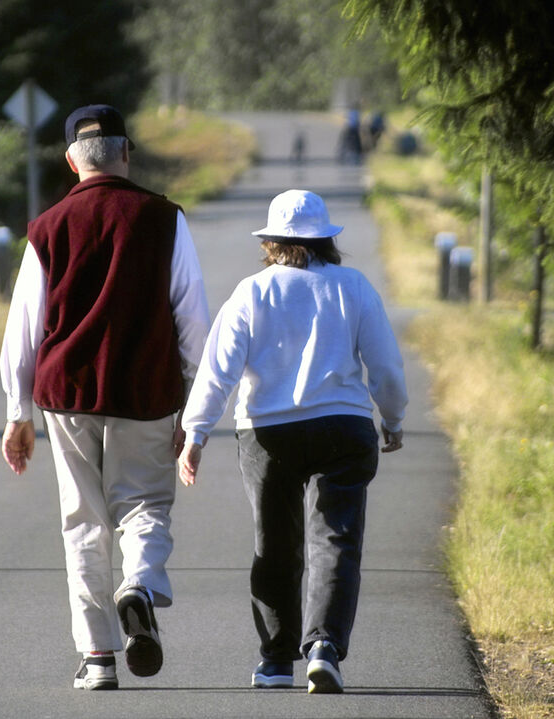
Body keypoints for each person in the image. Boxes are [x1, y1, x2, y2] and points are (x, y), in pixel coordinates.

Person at [0, 104, 210, 691]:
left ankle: (98, 659)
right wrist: (196, 408)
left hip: (66, 395)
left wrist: (17, 412)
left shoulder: (48, 226)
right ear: (126, 152)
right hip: (145, 390)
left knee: (83, 521)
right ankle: (138, 584)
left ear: (72, 160)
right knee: (144, 503)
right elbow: (192, 318)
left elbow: (24, 326)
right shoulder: (164, 218)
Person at [178, 189, 408, 694]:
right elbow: (385, 365)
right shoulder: (352, 286)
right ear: (327, 240)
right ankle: (324, 648)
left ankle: (277, 661)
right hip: (343, 426)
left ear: (271, 242)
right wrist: (392, 417)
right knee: (336, 540)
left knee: (275, 546)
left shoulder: (252, 291)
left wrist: (195, 433)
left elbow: (219, 370)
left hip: (268, 433)